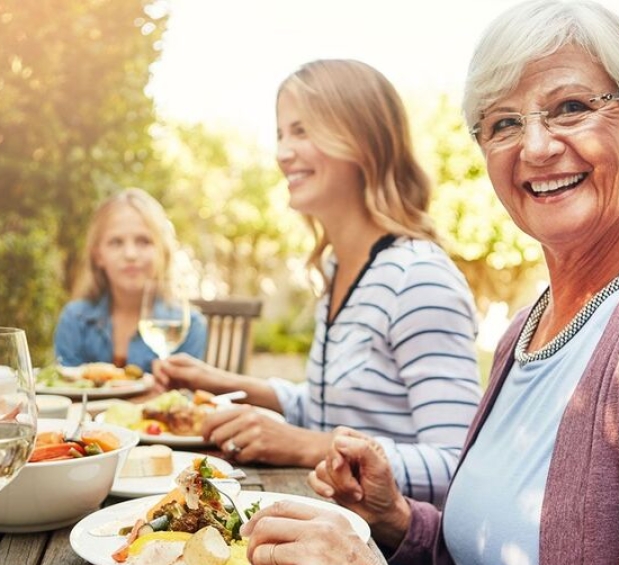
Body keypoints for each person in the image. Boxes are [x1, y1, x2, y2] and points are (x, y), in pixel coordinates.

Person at [237, 1, 619, 565]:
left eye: (570, 107)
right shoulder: (524, 329)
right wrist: (399, 520)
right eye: (504, 123)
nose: (537, 147)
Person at [153, 59, 482, 505]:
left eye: (302, 131)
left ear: (362, 140)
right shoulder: (338, 268)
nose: (283, 152)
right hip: (329, 520)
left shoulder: (418, 279)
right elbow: (330, 406)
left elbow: (458, 464)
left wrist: (303, 444)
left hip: (390, 558)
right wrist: (216, 381)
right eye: (281, 134)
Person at [54, 188, 206, 373]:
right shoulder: (75, 320)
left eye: (143, 241)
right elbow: (67, 390)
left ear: (163, 252)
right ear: (98, 256)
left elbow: (184, 398)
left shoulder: (188, 327)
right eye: (116, 242)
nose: (130, 254)